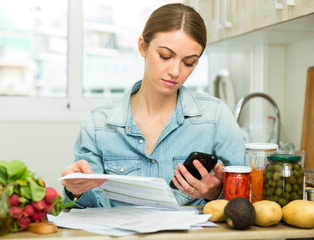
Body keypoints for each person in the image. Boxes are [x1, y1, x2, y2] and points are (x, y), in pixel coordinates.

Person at [61, 3, 245, 208]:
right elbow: (86, 210)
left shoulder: (216, 117)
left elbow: (247, 199)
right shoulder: (97, 124)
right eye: (165, 56)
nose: (175, 71)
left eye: (189, 62)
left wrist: (216, 193)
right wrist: (75, 192)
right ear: (142, 46)